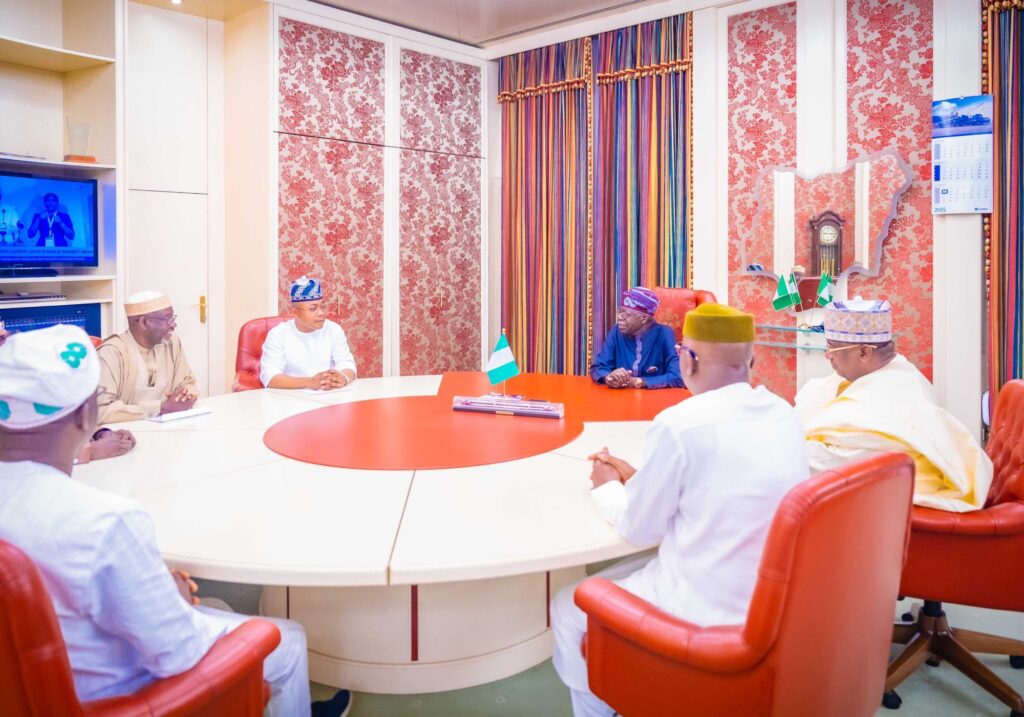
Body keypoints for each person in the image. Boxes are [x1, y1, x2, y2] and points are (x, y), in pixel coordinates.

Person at [0, 325, 352, 717]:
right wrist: (176, 597)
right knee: (287, 639)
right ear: (86, 416)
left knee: (215, 605)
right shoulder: (107, 522)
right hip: (114, 693)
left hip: (29, 686)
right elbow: (177, 652)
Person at [553, 303, 810, 717]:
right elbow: (717, 485)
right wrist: (642, 479)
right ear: (752, 361)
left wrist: (608, 486)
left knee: (568, 606)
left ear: (687, 361)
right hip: (773, 597)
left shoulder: (679, 423)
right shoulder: (784, 413)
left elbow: (638, 530)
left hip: (705, 603)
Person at [795, 297, 992, 512]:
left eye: (832, 348)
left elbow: (829, 464)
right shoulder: (890, 369)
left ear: (864, 352)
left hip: (885, 501)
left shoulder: (895, 396)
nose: (827, 356)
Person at [0, 320, 135, 463]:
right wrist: (91, 452)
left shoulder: (17, 369)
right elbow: (15, 448)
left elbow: (54, 414)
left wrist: (100, 433)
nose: (3, 333)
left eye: (1, 324)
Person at [97, 291, 197, 423]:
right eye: (167, 319)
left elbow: (187, 382)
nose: (173, 325)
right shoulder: (112, 352)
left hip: (169, 426)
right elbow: (100, 411)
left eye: (173, 318)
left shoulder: (172, 342)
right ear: (144, 322)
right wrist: (161, 408)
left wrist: (186, 395)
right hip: (127, 431)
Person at [260, 276, 357, 390]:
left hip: (329, 395)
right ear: (295, 312)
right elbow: (270, 377)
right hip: (290, 397)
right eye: (313, 308)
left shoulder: (334, 330)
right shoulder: (277, 335)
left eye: (323, 306)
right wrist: (310, 382)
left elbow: (346, 363)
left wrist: (343, 378)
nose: (321, 313)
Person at [590, 287, 682, 389]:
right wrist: (609, 377)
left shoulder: (664, 334)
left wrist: (638, 382)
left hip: (653, 396)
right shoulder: (617, 331)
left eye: (626, 314)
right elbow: (599, 366)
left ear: (644, 318)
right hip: (619, 396)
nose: (619, 317)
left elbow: (677, 376)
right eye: (620, 312)